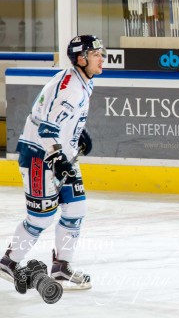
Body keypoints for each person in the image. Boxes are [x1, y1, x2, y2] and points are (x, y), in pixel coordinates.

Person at [0, 35, 105, 289]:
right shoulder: (71, 87)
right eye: (96, 54)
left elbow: (55, 119)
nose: (102, 58)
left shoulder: (82, 80)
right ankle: (8, 263)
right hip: (40, 154)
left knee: (76, 208)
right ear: (81, 59)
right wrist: (58, 159)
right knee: (40, 218)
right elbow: (46, 130)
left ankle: (61, 267)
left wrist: (78, 135)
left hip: (59, 153)